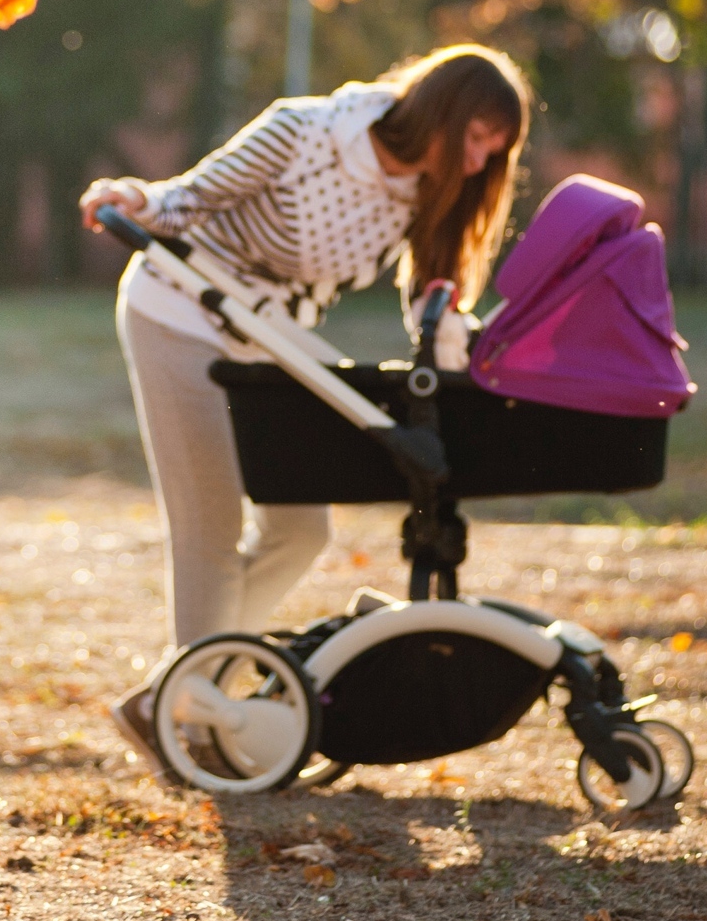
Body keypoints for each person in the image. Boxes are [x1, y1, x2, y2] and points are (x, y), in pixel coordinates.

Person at [78, 44, 532, 761]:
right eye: (476, 139)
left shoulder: (428, 191)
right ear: (442, 112)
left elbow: (433, 302)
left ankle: (170, 695)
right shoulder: (308, 132)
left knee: (299, 528)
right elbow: (189, 196)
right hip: (181, 311)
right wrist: (133, 198)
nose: (479, 163)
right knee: (210, 530)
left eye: (493, 151)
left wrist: (463, 352)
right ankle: (190, 731)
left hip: (272, 337)